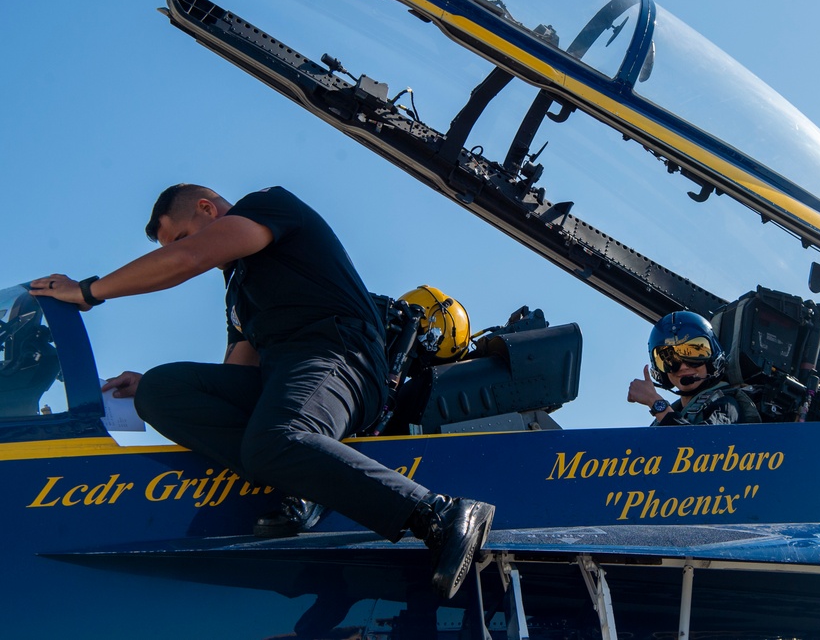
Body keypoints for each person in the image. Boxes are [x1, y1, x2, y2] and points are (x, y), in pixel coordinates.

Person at [30, 184, 493, 599]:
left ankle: (439, 514)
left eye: (183, 235)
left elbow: (186, 261)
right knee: (161, 391)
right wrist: (147, 385)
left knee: (275, 439)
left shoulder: (268, 207)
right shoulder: (241, 293)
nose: (187, 249)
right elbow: (236, 371)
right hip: (284, 376)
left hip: (338, 358)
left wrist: (89, 291)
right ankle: (307, 474)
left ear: (208, 209)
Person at [627, 311, 760, 425]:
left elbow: (699, 447)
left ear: (711, 358)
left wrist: (655, 402)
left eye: (694, 354)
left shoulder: (727, 406)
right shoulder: (672, 414)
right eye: (670, 360)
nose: (683, 367)